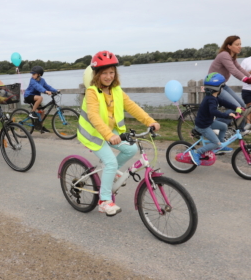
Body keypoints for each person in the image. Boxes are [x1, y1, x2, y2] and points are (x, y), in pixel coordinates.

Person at [77, 51, 160, 216]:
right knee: (110, 163)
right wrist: (109, 136)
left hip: (109, 131)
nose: (108, 76)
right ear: (97, 74)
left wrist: (149, 121)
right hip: (93, 134)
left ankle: (111, 172)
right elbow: (93, 116)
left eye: (112, 72)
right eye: (104, 73)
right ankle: (104, 201)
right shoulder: (92, 92)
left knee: (131, 149)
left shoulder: (116, 90)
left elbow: (131, 106)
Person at [208, 35, 251, 132]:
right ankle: (213, 126)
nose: (240, 46)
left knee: (241, 106)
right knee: (236, 107)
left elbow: (239, 69)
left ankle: (240, 130)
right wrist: (249, 80)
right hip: (214, 87)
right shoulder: (224, 55)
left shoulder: (232, 57)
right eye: (237, 44)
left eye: (240, 44)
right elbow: (234, 71)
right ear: (229, 46)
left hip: (222, 85)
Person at [188, 73, 240, 166]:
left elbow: (225, 102)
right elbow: (213, 112)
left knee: (224, 126)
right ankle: (196, 152)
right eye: (222, 87)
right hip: (203, 126)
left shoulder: (214, 97)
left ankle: (221, 146)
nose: (222, 89)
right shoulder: (211, 99)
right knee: (215, 143)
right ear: (218, 88)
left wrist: (237, 108)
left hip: (208, 122)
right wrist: (227, 115)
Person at [23, 65, 58, 133]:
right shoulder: (32, 80)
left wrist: (55, 90)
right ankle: (32, 112)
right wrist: (45, 91)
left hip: (35, 98)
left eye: (34, 74)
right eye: (32, 74)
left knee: (42, 112)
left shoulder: (42, 80)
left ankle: (39, 126)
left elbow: (48, 87)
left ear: (39, 74)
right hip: (28, 96)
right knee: (40, 98)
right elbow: (38, 87)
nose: (32, 75)